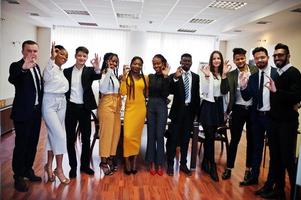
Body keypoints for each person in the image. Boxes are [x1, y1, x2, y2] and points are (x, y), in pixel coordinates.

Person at [262, 43, 301, 199]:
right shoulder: (276, 73)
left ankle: (295, 193)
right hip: (274, 122)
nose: (278, 58)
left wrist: (277, 91)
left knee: (287, 159)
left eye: (281, 55)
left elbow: (297, 97)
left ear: (288, 56)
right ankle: (279, 190)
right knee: (276, 157)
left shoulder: (294, 73)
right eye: (276, 55)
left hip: (287, 124)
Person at [239, 47, 278, 189]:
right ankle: (254, 177)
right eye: (257, 58)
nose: (260, 60)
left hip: (273, 118)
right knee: (256, 148)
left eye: (262, 57)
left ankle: (270, 183)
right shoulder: (254, 77)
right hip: (257, 117)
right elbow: (247, 96)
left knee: (274, 151)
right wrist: (243, 87)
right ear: (254, 60)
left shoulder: (276, 74)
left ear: (268, 57)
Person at [8, 40, 43, 192]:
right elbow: (13, 79)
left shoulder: (37, 66)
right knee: (21, 145)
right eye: (29, 51)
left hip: (36, 113)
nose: (32, 54)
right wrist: (23, 69)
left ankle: (28, 169)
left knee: (33, 144)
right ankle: (18, 176)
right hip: (22, 113)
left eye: (35, 51)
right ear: (23, 51)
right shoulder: (16, 65)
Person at [63, 46, 101, 178]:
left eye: (84, 56)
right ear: (75, 56)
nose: (82, 58)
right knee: (70, 139)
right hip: (71, 108)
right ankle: (73, 166)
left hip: (85, 109)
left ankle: (84, 166)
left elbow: (98, 75)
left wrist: (97, 67)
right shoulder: (66, 71)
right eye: (80, 55)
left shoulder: (90, 71)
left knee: (86, 139)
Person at [220, 48, 257, 181]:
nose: (240, 61)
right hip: (237, 109)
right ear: (234, 60)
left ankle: (248, 169)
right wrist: (224, 75)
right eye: (237, 59)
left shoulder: (255, 70)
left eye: (242, 58)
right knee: (234, 140)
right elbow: (224, 90)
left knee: (251, 141)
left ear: (245, 58)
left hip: (253, 110)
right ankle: (229, 168)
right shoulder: (231, 75)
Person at [199, 50, 230, 182]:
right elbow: (204, 92)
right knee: (210, 136)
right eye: (214, 58)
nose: (216, 60)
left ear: (221, 60)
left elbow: (224, 91)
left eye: (218, 58)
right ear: (211, 61)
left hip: (218, 107)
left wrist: (224, 76)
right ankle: (212, 166)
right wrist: (206, 77)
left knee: (209, 137)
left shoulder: (224, 74)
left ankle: (205, 162)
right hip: (208, 106)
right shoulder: (207, 73)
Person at [166, 53, 200, 176]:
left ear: (191, 62)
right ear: (180, 61)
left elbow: (196, 97)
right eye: (184, 61)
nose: (186, 63)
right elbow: (169, 89)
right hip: (177, 112)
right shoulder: (175, 76)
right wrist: (175, 77)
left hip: (189, 113)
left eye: (188, 61)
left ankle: (183, 164)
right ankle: (170, 164)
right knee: (173, 139)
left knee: (186, 140)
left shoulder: (196, 77)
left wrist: (197, 114)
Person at [42, 42, 70, 184]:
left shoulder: (61, 71)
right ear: (55, 54)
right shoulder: (50, 67)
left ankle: (48, 165)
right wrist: (51, 59)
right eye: (61, 54)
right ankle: (59, 169)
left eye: (66, 56)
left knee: (52, 136)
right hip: (50, 103)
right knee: (60, 136)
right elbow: (46, 77)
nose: (64, 57)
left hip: (61, 103)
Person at [120, 56, 148, 175]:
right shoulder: (126, 77)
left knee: (136, 137)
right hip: (129, 109)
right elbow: (122, 92)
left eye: (139, 64)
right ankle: (126, 161)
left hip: (141, 109)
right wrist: (122, 79)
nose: (137, 66)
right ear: (131, 64)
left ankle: (134, 162)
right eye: (135, 63)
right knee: (127, 136)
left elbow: (146, 94)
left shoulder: (145, 78)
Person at [145, 54, 170, 176]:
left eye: (158, 63)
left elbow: (165, 94)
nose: (156, 65)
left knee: (160, 135)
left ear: (163, 63)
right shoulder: (150, 76)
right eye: (154, 63)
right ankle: (151, 162)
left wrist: (165, 77)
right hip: (150, 106)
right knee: (151, 135)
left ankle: (159, 163)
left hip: (161, 106)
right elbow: (148, 93)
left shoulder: (168, 77)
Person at [98, 53, 121, 176]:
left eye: (115, 62)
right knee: (106, 134)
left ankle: (110, 158)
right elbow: (102, 89)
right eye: (111, 61)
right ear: (106, 61)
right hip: (107, 104)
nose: (114, 63)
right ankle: (103, 162)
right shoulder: (103, 73)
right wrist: (108, 71)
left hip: (116, 104)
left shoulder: (114, 74)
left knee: (115, 134)